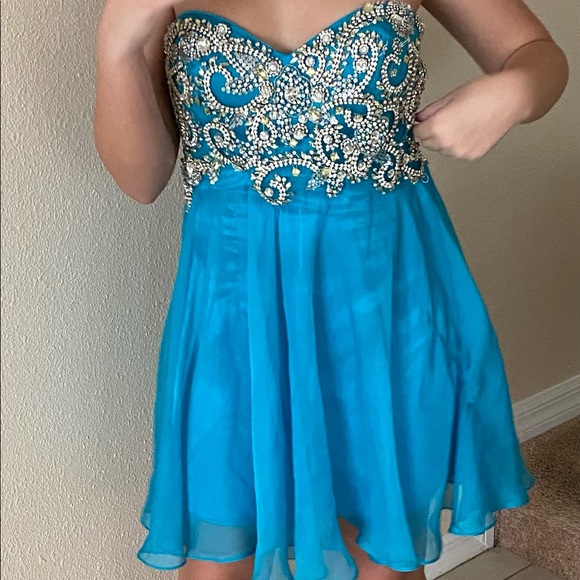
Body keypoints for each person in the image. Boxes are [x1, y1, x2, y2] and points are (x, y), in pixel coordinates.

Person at [93, 1, 568, 579]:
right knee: (218, 557)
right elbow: (141, 179)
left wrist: (514, 91)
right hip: (234, 310)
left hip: (381, 296)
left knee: (381, 550)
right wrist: (117, 45)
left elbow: (538, 55)